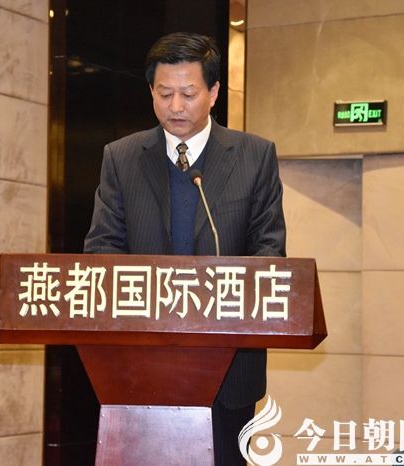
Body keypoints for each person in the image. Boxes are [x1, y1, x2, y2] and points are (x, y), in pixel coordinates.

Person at [84, 31, 286, 465]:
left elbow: (269, 253)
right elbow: (102, 250)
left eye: (189, 94)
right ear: (151, 92)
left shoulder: (254, 156)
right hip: (140, 368)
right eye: (164, 93)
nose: (175, 106)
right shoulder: (121, 157)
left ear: (213, 92)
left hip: (229, 372)